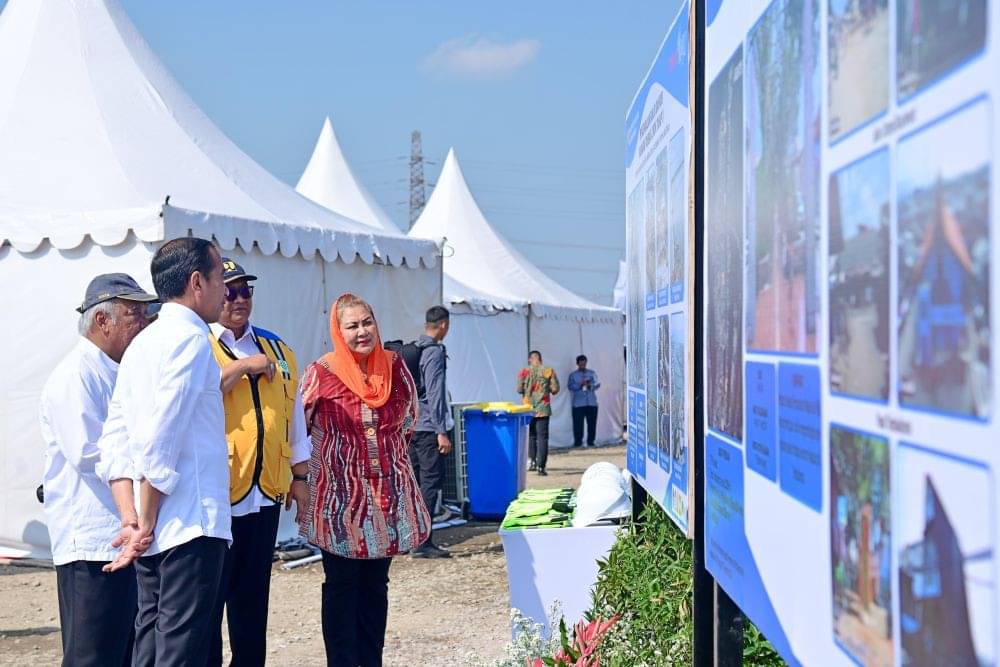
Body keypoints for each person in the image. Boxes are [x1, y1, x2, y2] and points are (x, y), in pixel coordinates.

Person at [96, 237, 232, 667]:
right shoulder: (190, 341)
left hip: (153, 529)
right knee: (180, 652)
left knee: (151, 647)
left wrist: (131, 517)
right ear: (197, 282)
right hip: (188, 524)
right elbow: (160, 440)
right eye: (220, 279)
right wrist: (145, 525)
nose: (226, 291)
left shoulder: (141, 344)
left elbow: (114, 440)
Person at [300, 293, 431, 667]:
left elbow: (408, 419)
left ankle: (371, 660)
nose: (362, 332)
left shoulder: (395, 366)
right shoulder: (320, 373)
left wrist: (384, 462)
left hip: (387, 498)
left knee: (376, 586)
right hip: (340, 503)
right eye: (352, 326)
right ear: (338, 331)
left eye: (367, 322)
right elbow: (301, 429)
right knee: (341, 586)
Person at [39, 274, 157, 667]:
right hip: (91, 540)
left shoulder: (117, 369)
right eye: (133, 314)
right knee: (93, 654)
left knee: (122, 649)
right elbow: (90, 454)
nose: (143, 322)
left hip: (121, 534)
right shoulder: (76, 375)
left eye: (145, 313)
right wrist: (149, 467)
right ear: (102, 321)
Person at [208, 258, 310, 666]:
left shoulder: (278, 348)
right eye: (230, 291)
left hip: (265, 492)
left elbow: (295, 416)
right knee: (210, 605)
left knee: (253, 605)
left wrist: (300, 475)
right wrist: (243, 367)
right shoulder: (199, 346)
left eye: (246, 290)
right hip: (219, 494)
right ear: (213, 293)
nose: (239, 300)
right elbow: (195, 392)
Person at [409, 305, 453, 559]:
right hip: (428, 427)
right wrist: (441, 431)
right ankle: (423, 541)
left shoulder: (414, 349)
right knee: (429, 483)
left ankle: (410, 537)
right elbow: (435, 393)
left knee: (413, 484)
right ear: (444, 325)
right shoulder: (434, 352)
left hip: (411, 425)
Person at [516, 350, 560, 476]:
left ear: (530, 359)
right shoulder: (548, 370)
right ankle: (541, 467)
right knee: (543, 438)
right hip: (543, 408)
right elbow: (555, 389)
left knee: (531, 436)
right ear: (541, 359)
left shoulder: (523, 371)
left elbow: (519, 389)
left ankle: (532, 462)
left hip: (527, 408)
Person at [567, 355, 601, 448]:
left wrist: (590, 385)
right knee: (578, 424)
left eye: (584, 364)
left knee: (592, 423)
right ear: (577, 364)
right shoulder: (573, 375)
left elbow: (598, 384)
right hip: (578, 403)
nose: (583, 366)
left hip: (591, 402)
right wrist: (580, 384)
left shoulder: (592, 373)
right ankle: (578, 442)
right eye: (581, 364)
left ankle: (591, 442)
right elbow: (570, 386)